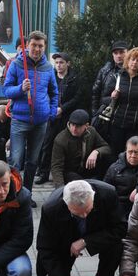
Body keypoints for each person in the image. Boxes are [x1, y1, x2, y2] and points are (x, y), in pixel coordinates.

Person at [37, 180, 126, 276]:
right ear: (66, 204)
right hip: (65, 239)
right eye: (77, 213)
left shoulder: (108, 194)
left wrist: (86, 241)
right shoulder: (51, 208)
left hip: (97, 232)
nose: (84, 216)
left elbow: (121, 228)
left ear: (93, 197)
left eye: (88, 210)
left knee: (115, 247)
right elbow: (45, 247)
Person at [3, 30, 59, 206]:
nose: (37, 49)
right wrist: (20, 88)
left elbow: (54, 92)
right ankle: (14, 193)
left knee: (33, 161)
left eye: (40, 46)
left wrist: (50, 113)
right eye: (34, 45)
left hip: (40, 122)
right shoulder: (17, 64)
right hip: (20, 120)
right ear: (27, 46)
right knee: (16, 159)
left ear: (44, 47)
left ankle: (26, 194)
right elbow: (6, 90)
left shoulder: (48, 68)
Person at [35, 52, 82, 184]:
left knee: (64, 144)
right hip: (51, 116)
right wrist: (51, 108)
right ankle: (43, 172)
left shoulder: (75, 78)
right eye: (56, 63)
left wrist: (63, 108)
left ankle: (64, 174)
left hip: (66, 117)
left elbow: (77, 98)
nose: (59, 65)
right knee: (47, 144)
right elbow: (44, 93)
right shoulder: (51, 77)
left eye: (61, 62)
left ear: (68, 63)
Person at [103, 47, 138, 155]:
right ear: (127, 60)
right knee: (115, 155)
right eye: (133, 59)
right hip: (116, 124)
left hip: (135, 127)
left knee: (132, 154)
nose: (135, 63)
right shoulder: (117, 76)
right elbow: (103, 99)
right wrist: (112, 97)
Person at [50, 109, 111, 188]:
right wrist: (60, 189)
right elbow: (56, 167)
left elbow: (106, 148)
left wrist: (96, 152)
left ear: (86, 125)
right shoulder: (61, 140)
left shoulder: (91, 131)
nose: (74, 129)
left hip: (87, 169)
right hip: (70, 172)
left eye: (78, 126)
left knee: (108, 159)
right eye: (72, 125)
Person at [103, 136, 138, 215]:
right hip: (118, 206)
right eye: (130, 152)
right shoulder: (115, 168)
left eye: (137, 152)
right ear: (126, 151)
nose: (133, 155)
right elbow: (105, 190)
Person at [91, 41, 127, 121]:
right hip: (104, 114)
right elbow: (95, 93)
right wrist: (94, 114)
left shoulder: (133, 71)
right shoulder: (105, 71)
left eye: (121, 52)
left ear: (127, 53)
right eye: (115, 53)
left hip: (124, 116)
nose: (118, 56)